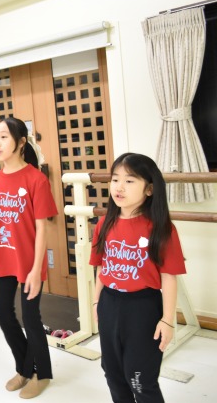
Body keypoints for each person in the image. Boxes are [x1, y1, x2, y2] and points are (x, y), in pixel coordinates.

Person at [90, 153, 186, 403]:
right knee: (112, 373)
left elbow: (169, 277)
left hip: (143, 308)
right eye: (115, 180)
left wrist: (167, 320)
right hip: (109, 303)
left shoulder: (161, 228)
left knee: (140, 378)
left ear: (149, 189)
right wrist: (96, 302)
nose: (119, 187)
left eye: (130, 181)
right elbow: (101, 267)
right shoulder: (104, 224)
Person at [0, 116, 57, 399]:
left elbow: (42, 228)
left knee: (31, 318)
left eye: (4, 136)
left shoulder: (36, 179)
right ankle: (25, 367)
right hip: (3, 259)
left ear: (21, 142)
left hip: (29, 261)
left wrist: (37, 269)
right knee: (2, 313)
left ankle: (43, 373)